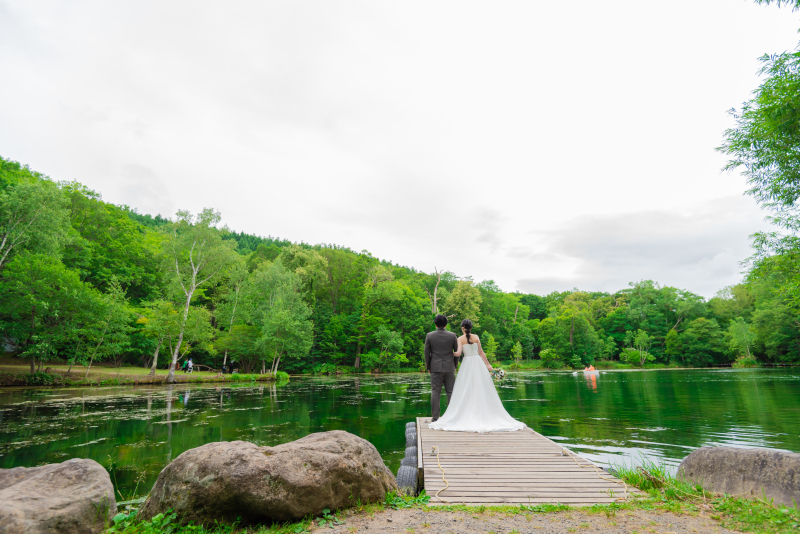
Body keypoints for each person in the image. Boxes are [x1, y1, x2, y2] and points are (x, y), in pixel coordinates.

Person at [429, 319, 525, 433]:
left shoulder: (460, 339)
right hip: (478, 363)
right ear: (471, 327)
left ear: (462, 328)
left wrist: (446, 352)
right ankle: (482, 413)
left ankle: (467, 413)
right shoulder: (476, 337)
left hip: (467, 364)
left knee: (466, 389)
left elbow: (458, 353)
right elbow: (481, 352)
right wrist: (488, 365)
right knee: (481, 388)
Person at [424, 314, 459, 422]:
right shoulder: (452, 335)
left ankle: (435, 417)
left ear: (435, 324)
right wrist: (455, 365)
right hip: (449, 367)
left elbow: (427, 353)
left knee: (435, 392)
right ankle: (451, 417)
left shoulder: (429, 336)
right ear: (446, 324)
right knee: (451, 392)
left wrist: (428, 366)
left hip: (435, 367)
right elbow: (457, 352)